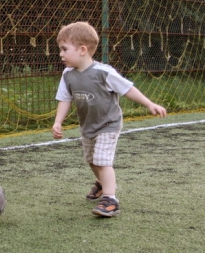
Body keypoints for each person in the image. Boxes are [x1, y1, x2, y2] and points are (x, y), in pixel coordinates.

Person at [52, 22, 166, 217]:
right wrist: (58, 122)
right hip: (88, 126)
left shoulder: (104, 73)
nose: (61, 54)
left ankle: (110, 199)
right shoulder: (67, 75)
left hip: (108, 124)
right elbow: (65, 98)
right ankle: (101, 183)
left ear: (82, 50)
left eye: (64, 49)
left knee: (103, 160)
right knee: (91, 160)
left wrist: (149, 104)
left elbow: (128, 89)